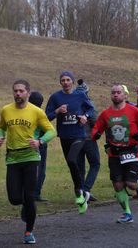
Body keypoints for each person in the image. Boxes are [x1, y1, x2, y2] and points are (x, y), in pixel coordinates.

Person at [0, 79, 56, 244]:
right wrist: (0, 136)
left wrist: (40, 142)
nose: (18, 94)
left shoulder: (36, 112)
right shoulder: (6, 110)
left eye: (21, 91)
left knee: (29, 197)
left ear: (28, 93)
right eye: (15, 91)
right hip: (13, 158)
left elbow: (51, 131)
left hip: (31, 157)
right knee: (15, 198)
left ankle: (29, 231)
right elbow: (1, 126)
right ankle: (27, 204)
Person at [92, 84, 138, 223]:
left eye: (118, 92)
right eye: (113, 93)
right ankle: (127, 213)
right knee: (118, 185)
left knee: (130, 183)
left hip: (131, 151)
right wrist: (96, 134)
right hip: (114, 153)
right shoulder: (106, 114)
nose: (116, 95)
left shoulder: (133, 110)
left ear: (125, 95)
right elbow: (96, 128)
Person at [45, 71, 94, 214]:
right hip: (64, 136)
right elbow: (46, 116)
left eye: (68, 80)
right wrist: (58, 111)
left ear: (72, 81)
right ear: (60, 83)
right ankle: (80, 195)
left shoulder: (80, 95)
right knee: (71, 164)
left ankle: (79, 190)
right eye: (63, 80)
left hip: (79, 135)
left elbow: (90, 109)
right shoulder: (55, 97)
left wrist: (85, 116)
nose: (65, 82)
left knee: (73, 160)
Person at [75, 79, 100, 202]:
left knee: (80, 167)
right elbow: (95, 121)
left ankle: (80, 192)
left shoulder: (72, 104)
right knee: (95, 164)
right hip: (89, 139)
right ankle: (86, 190)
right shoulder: (89, 104)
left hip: (75, 140)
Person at [29, 91, 48, 202]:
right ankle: (36, 193)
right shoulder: (40, 113)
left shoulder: (25, 111)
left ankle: (27, 193)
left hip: (27, 142)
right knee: (40, 170)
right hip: (40, 143)